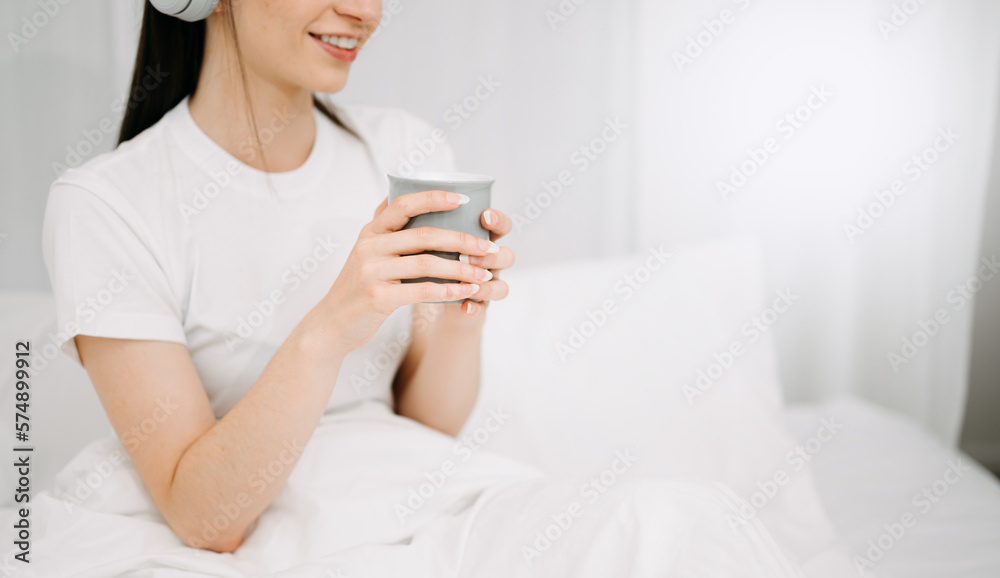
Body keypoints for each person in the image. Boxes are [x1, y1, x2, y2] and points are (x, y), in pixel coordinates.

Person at [35, 1, 814, 575]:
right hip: (266, 525)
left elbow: (425, 425)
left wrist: (460, 316)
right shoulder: (109, 204)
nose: (366, 11)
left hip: (421, 498)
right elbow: (207, 519)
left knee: (674, 523)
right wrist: (333, 322)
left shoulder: (400, 149)